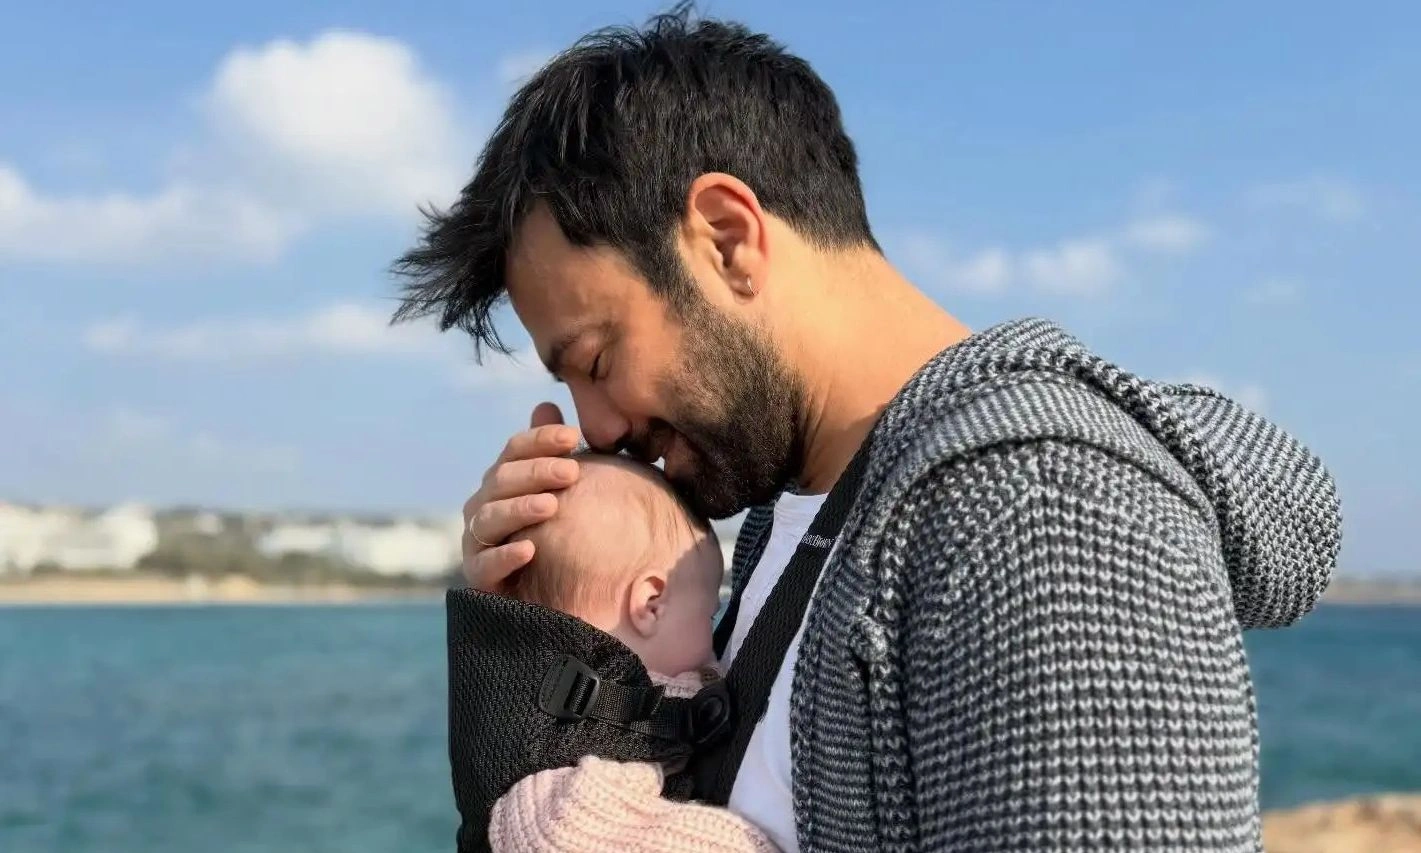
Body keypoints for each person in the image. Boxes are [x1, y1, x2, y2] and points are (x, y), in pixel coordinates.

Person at [392, 6, 1342, 851]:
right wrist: (539, 642)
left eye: (596, 359)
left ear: (726, 237)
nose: (600, 427)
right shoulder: (796, 517)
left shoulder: (1039, 517)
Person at [484, 451, 778, 852]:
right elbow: (562, 834)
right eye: (708, 615)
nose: (713, 642)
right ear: (650, 605)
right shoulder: (574, 761)